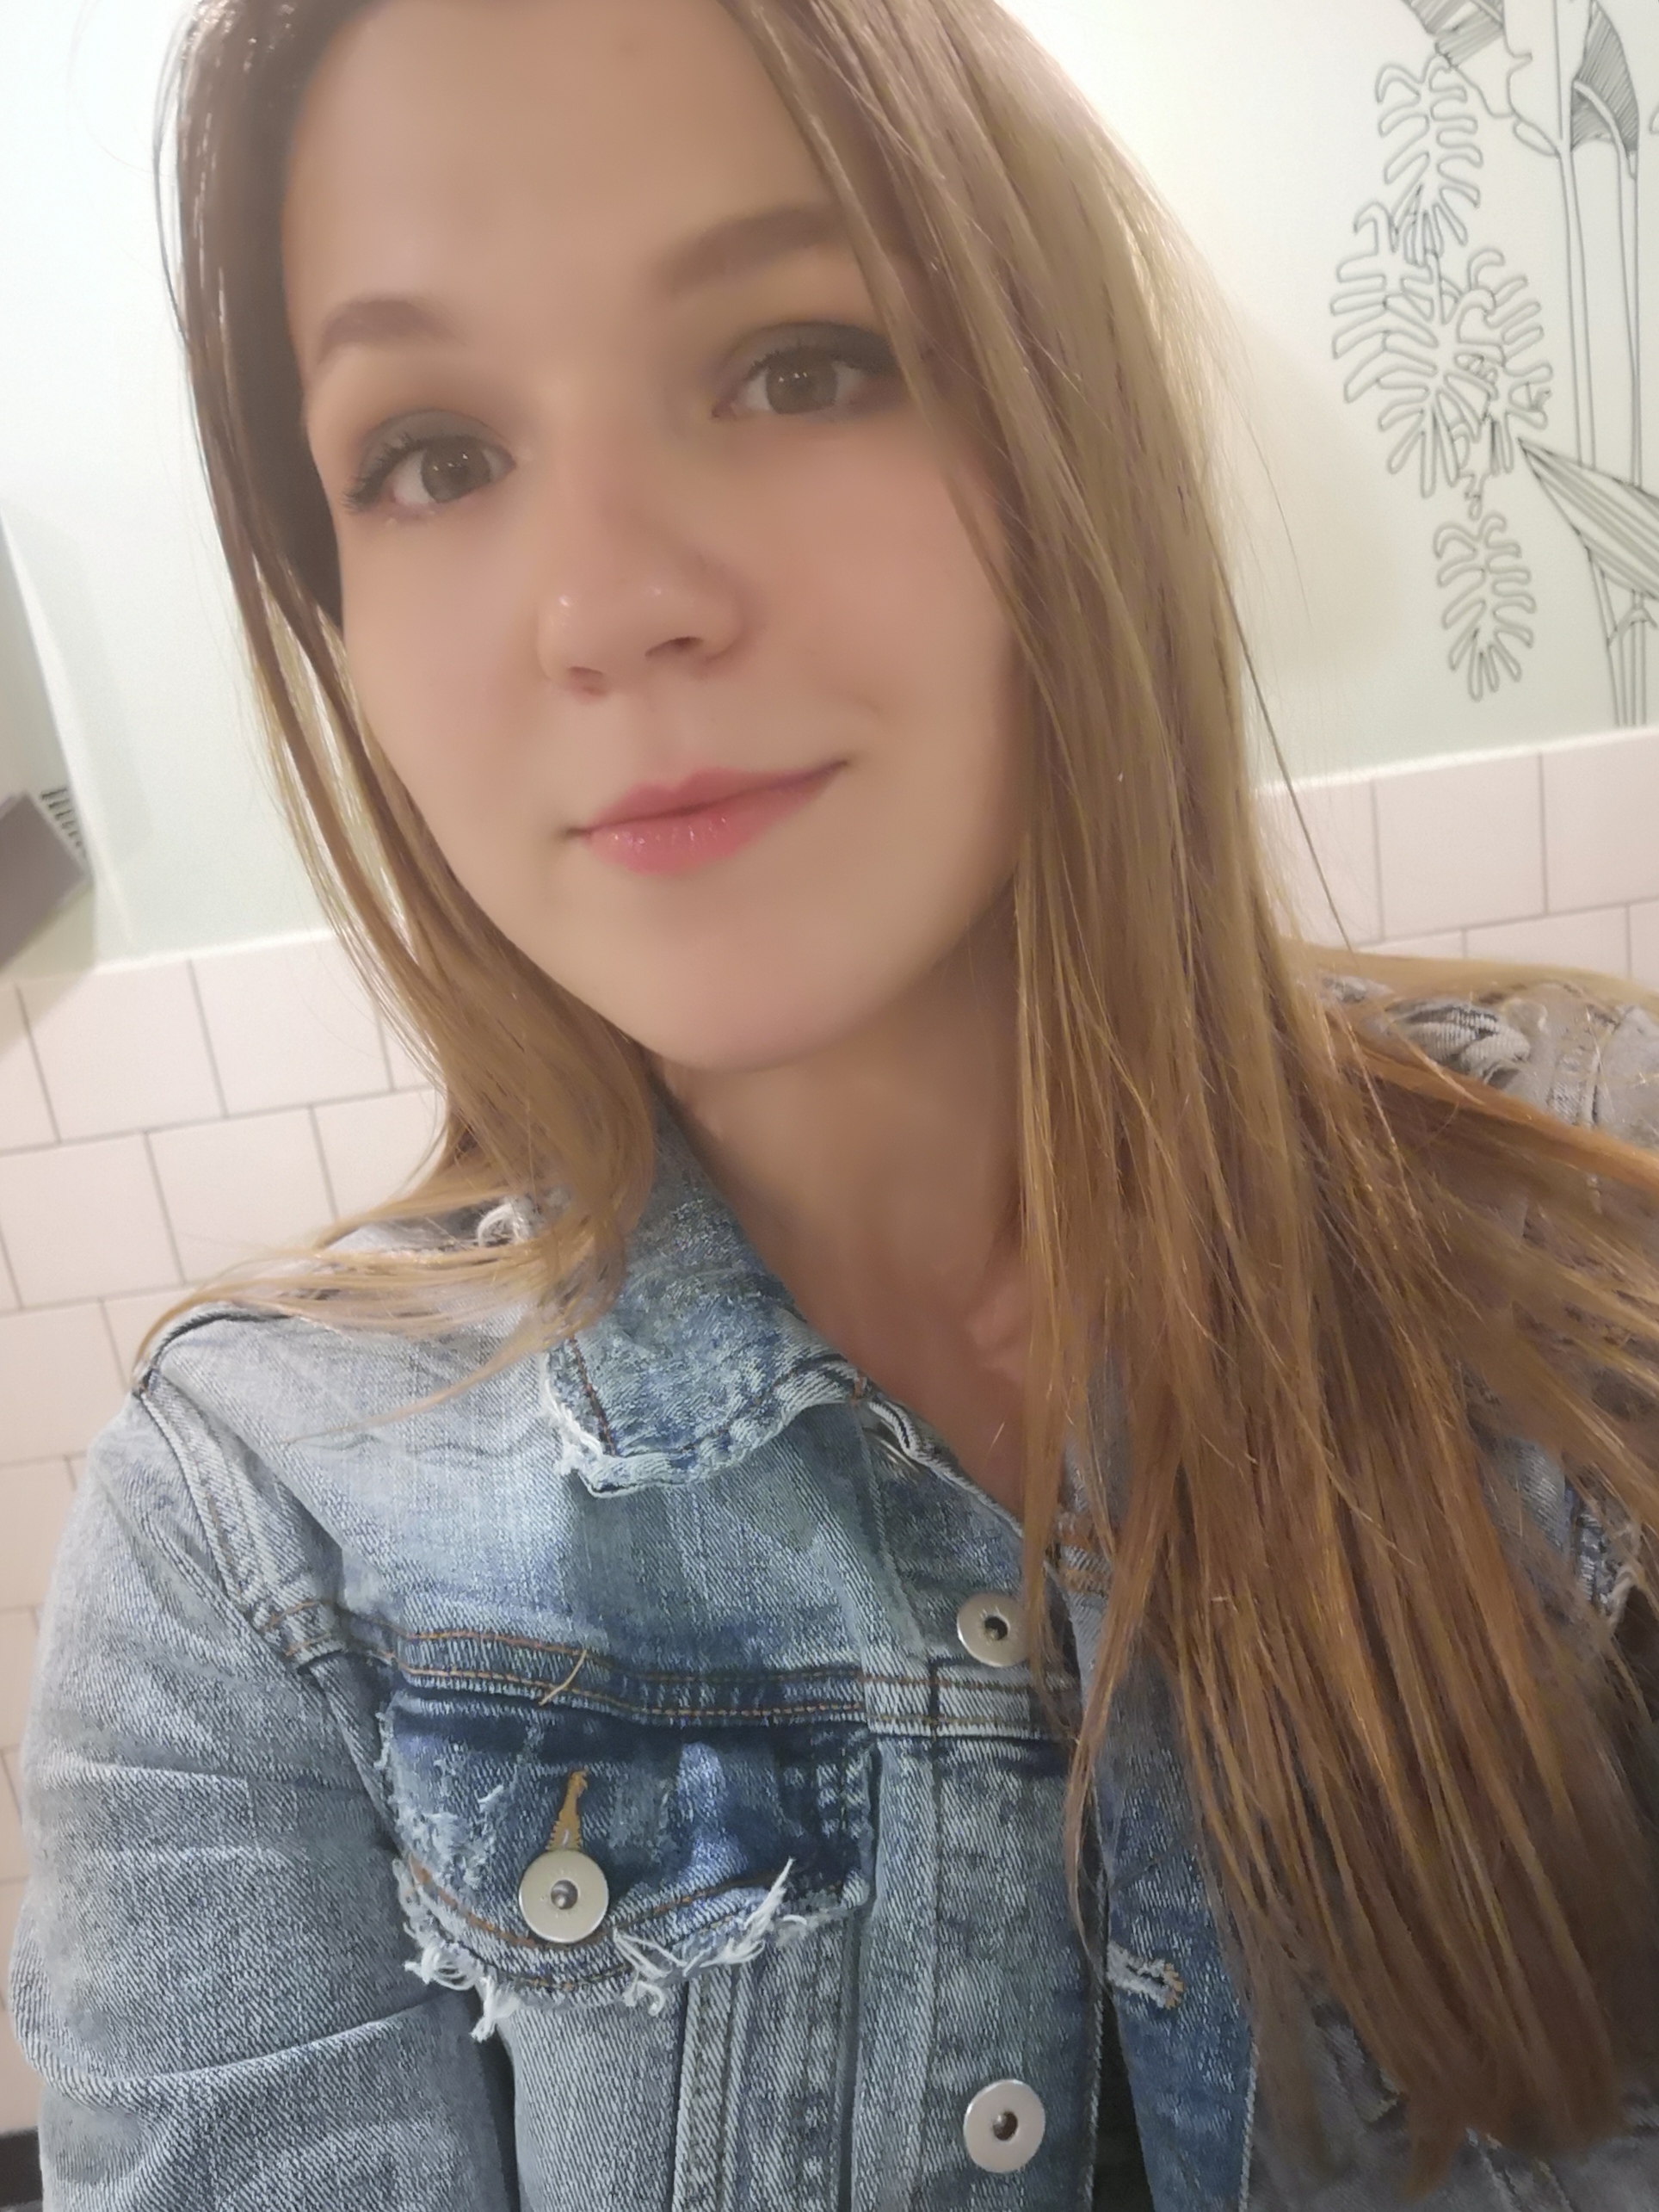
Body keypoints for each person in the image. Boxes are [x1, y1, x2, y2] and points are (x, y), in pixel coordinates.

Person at [9, 0, 1659, 2203]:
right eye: (434, 453)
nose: (609, 606)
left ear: (1059, 417)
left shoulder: (1599, 1246)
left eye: (798, 364)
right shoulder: (246, 1547)